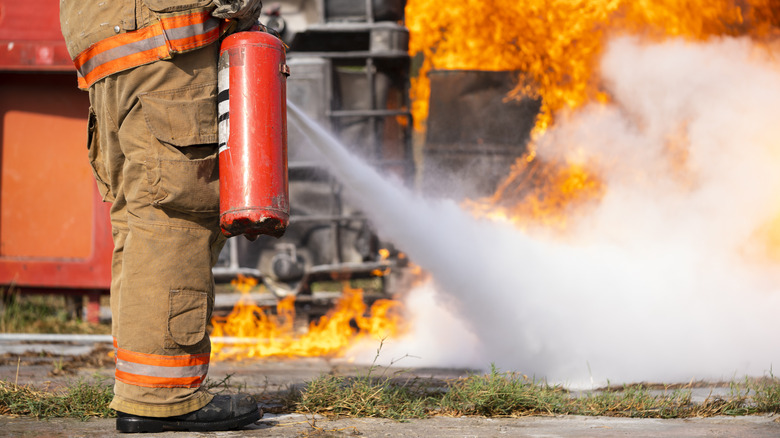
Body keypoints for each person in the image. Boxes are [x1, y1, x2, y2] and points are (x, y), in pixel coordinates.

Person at [59, 0, 263, 433]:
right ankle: (162, 395)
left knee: (137, 217)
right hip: (166, 37)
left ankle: (142, 384)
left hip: (107, 38)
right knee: (177, 213)